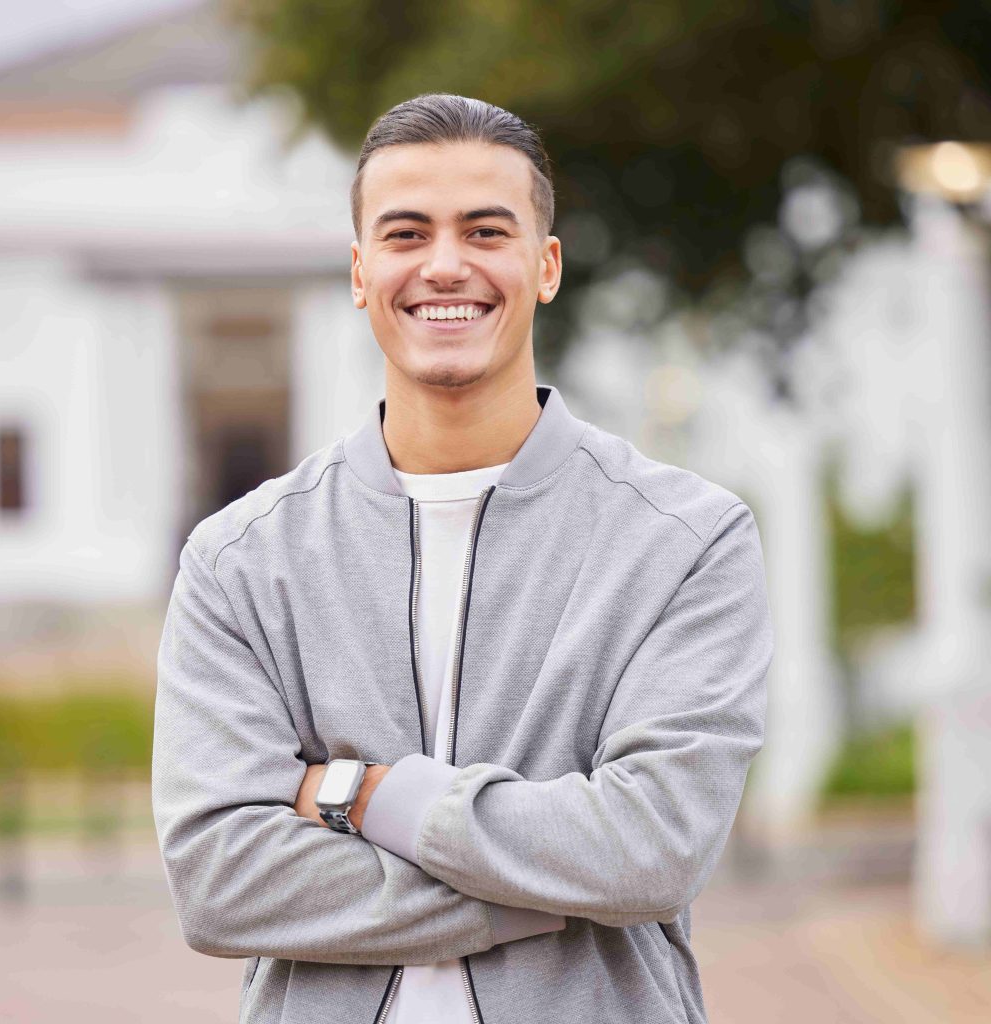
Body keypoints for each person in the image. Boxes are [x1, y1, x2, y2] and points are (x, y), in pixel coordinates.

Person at [152, 92, 774, 1024]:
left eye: (487, 230)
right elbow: (220, 882)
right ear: (362, 271)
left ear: (545, 264)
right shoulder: (241, 560)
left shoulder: (686, 541)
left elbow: (653, 850)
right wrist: (546, 891)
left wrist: (366, 796)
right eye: (407, 234)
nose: (446, 266)